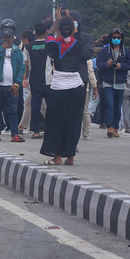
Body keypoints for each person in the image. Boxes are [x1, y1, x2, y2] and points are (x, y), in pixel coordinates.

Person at [40, 14, 92, 165]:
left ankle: (57, 157)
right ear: (73, 28)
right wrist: (69, 21)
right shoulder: (80, 42)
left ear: (60, 31)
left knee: (56, 123)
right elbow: (78, 34)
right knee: (73, 122)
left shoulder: (54, 43)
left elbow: (49, 34)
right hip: (76, 86)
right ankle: (70, 157)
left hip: (58, 87)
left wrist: (57, 21)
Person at [0, 21, 26, 142]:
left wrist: (17, 83)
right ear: (2, 37)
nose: (7, 39)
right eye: (5, 37)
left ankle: (15, 134)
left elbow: (21, 68)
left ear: (13, 38)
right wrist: (1, 49)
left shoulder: (16, 51)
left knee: (12, 111)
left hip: (12, 86)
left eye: (9, 37)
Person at [96, 28, 130, 138]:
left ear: (122, 38)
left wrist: (121, 66)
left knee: (118, 106)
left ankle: (116, 127)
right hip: (107, 81)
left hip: (120, 82)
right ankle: (110, 127)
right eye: (114, 37)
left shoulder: (125, 51)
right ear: (110, 38)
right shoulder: (105, 51)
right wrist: (107, 64)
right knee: (109, 104)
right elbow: (99, 64)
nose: (116, 39)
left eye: (118, 37)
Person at [23, 21, 53, 139]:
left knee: (35, 106)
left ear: (35, 32)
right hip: (48, 80)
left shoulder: (28, 47)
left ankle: (36, 132)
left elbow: (26, 65)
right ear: (46, 31)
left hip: (34, 80)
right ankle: (50, 130)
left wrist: (25, 78)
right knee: (50, 107)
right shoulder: (49, 44)